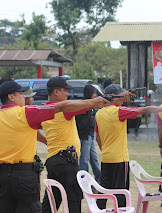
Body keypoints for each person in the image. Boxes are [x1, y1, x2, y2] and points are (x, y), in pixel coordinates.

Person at [0, 81, 108, 213]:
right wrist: (92, 103)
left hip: (3, 174)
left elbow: (34, 133)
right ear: (11, 97)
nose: (23, 97)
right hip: (24, 174)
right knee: (68, 200)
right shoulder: (25, 113)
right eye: (20, 94)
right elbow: (61, 107)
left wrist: (47, 141)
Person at [95, 84, 162, 209]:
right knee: (122, 193)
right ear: (114, 96)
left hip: (106, 158)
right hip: (120, 159)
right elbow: (143, 111)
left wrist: (104, 149)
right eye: (120, 95)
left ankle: (98, 210)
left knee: (104, 191)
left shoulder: (99, 113)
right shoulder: (118, 111)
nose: (123, 97)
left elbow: (97, 135)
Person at [41, 77, 109, 213]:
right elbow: (86, 105)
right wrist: (99, 101)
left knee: (52, 200)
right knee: (73, 199)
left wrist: (46, 141)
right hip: (66, 161)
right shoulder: (65, 110)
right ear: (56, 92)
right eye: (65, 91)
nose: (67, 94)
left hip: (54, 159)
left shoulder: (43, 109)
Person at [75, 85, 101, 183]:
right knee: (84, 160)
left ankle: (99, 179)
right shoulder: (83, 105)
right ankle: (84, 181)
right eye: (94, 93)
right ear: (89, 93)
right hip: (84, 136)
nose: (95, 95)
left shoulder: (93, 106)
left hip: (90, 136)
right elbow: (81, 122)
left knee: (94, 159)